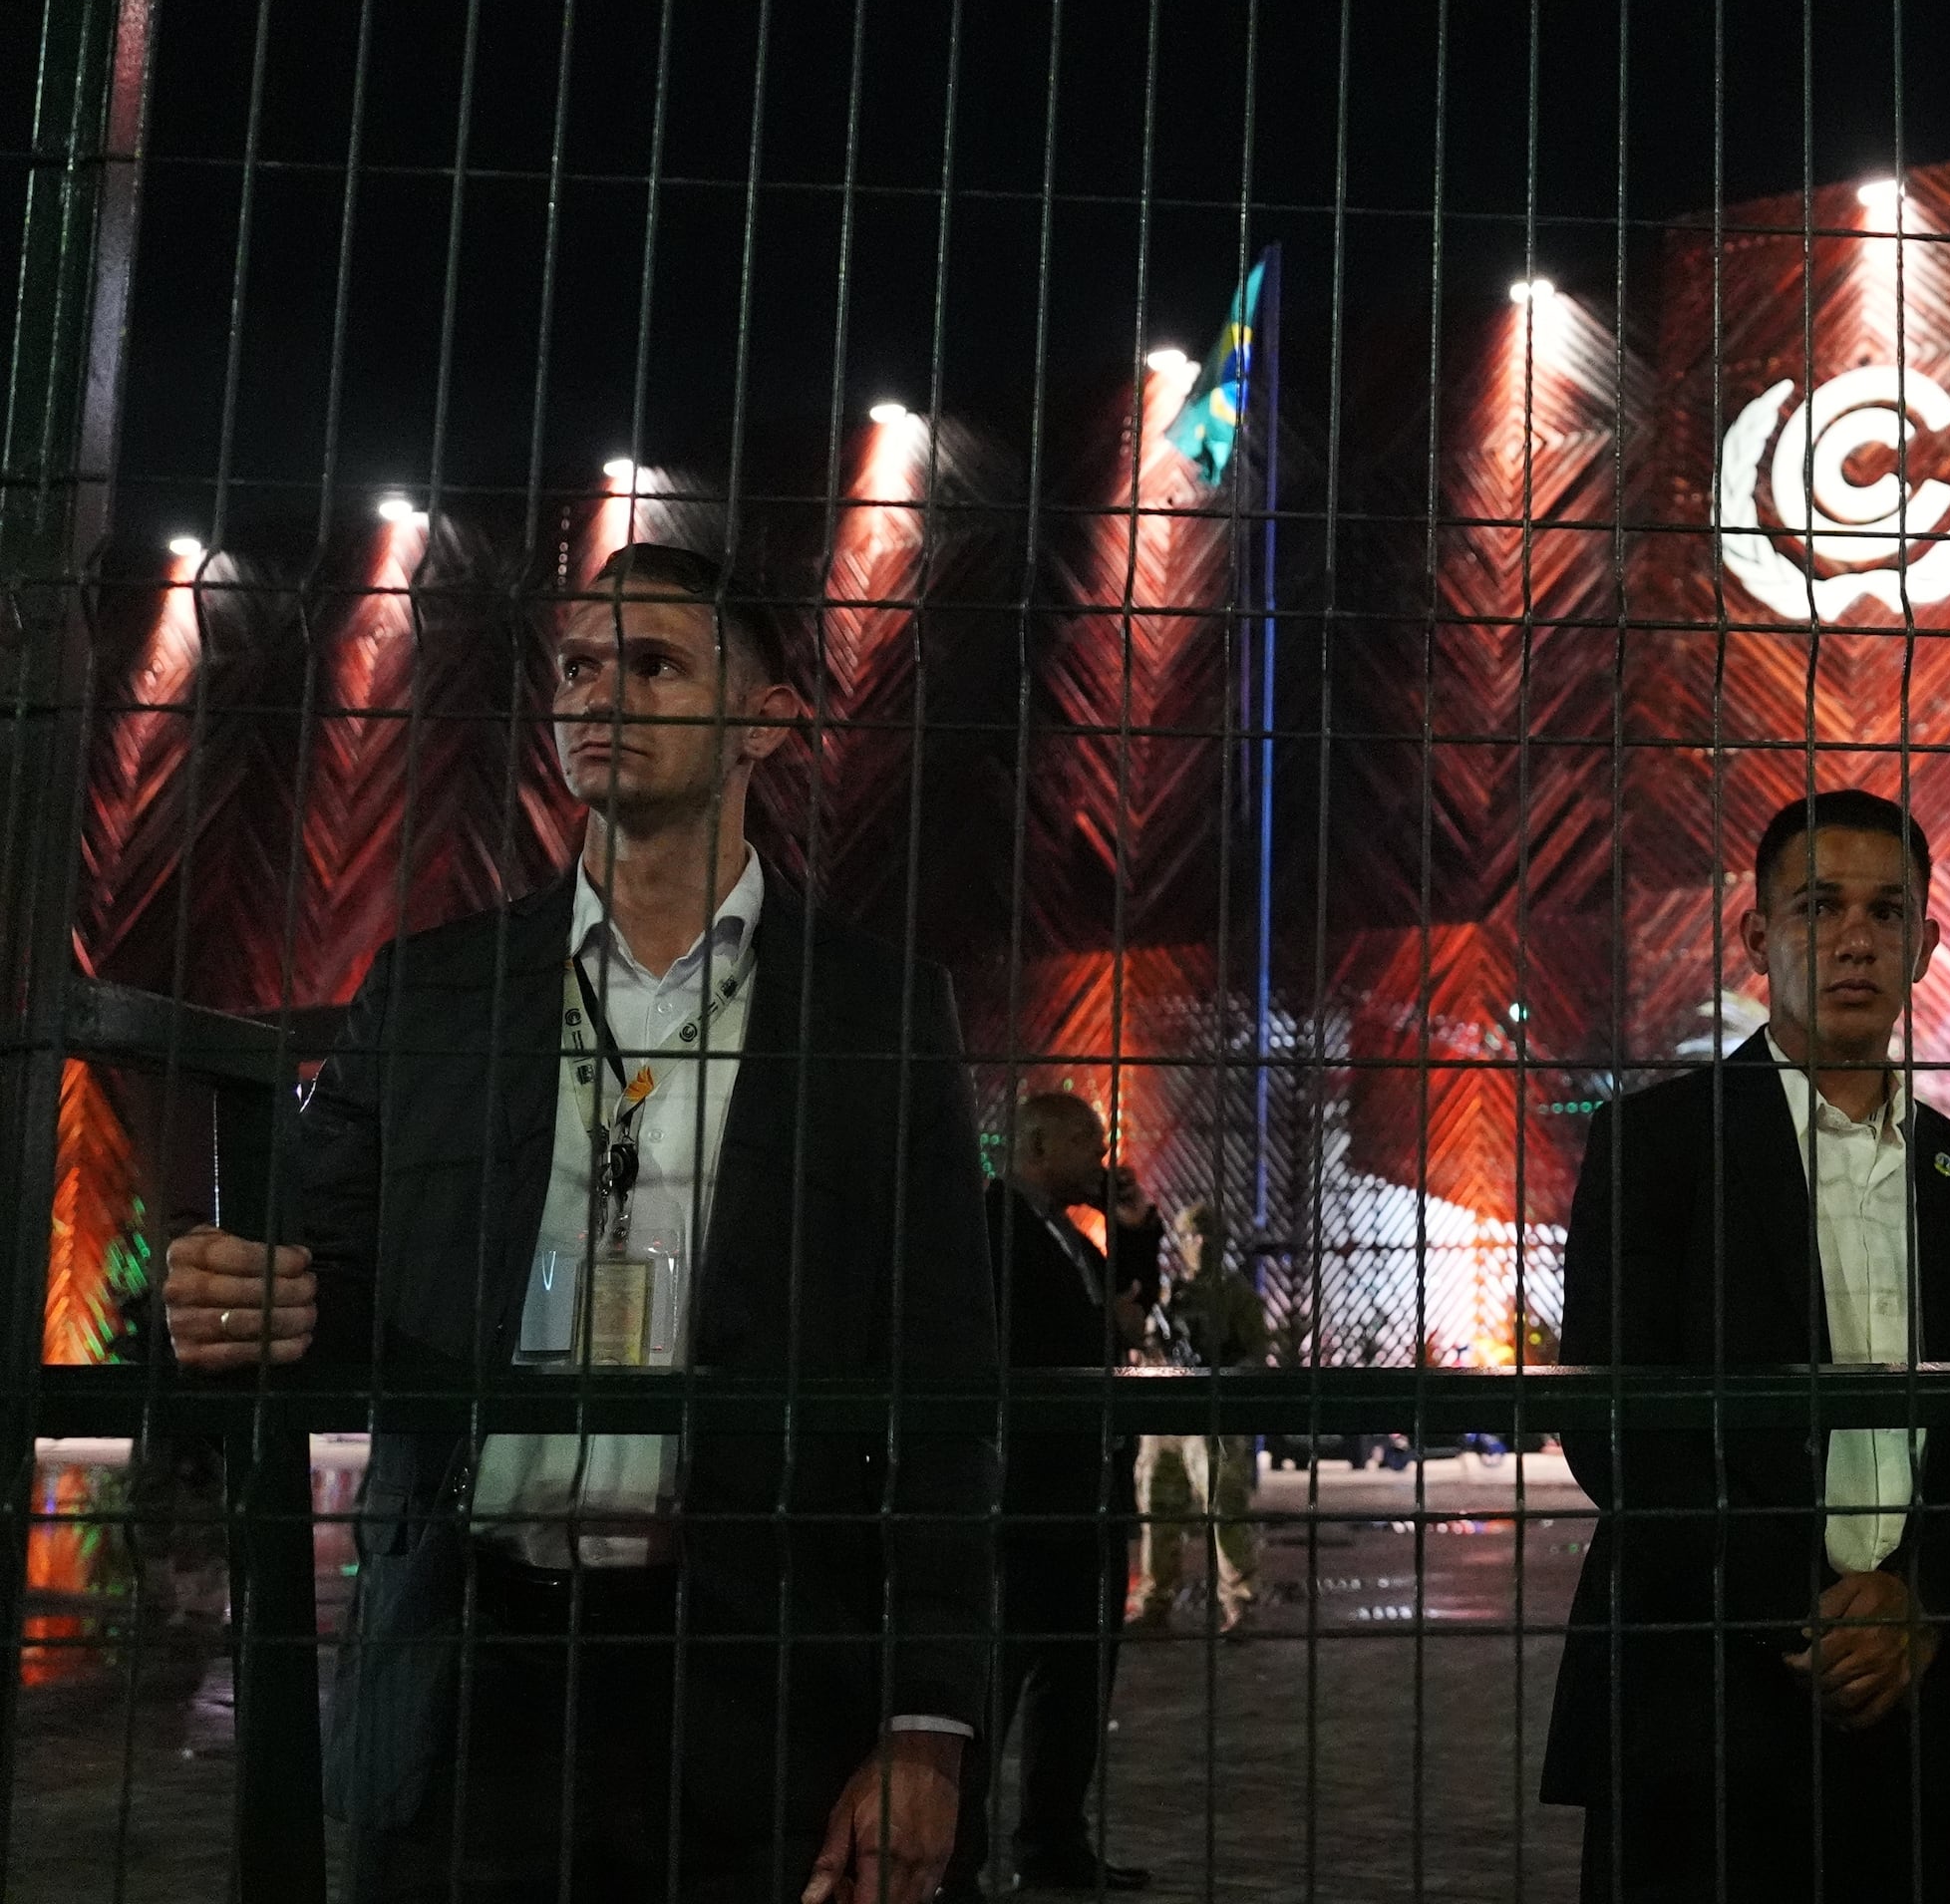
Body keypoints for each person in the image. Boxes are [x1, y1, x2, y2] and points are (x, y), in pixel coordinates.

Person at [162, 543, 993, 1904]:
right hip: (467, 1682)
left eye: (653, 663)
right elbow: (331, 1291)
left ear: (769, 723)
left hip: (753, 1684)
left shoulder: (879, 1018)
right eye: (579, 666)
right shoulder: (429, 995)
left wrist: (928, 1730)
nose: (599, 693)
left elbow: (945, 1393)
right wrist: (235, 1297)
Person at [1539, 790, 1950, 1903]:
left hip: (1918, 1703)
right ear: (1759, 941)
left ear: (1926, 944)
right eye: (1818, 907)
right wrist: (1794, 1609)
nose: (1855, 938)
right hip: (1703, 1702)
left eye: (1887, 910)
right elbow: (1615, 1423)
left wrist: (1921, 1604)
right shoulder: (1660, 1146)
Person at [969, 1091, 1151, 1895]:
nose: (1101, 1160)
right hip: (1037, 1494)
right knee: (1007, 1676)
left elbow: (1128, 1317)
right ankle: (962, 1852)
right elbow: (1056, 1337)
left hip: (1086, 1489)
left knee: (1078, 1680)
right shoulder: (999, 1228)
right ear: (1039, 1144)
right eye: (1088, 1144)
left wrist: (1137, 1233)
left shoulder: (1064, 1234)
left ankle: (1053, 1840)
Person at [1139, 1202, 1269, 1629]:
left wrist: (1224, 1373)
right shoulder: (1168, 1295)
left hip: (1212, 1418)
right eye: (1193, 1236)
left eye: (1210, 1235)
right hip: (1168, 1416)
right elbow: (1146, 1348)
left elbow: (1256, 1356)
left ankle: (1240, 1604)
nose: (1202, 1245)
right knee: (1158, 1510)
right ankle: (1155, 1602)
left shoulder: (1238, 1297)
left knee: (1225, 1509)